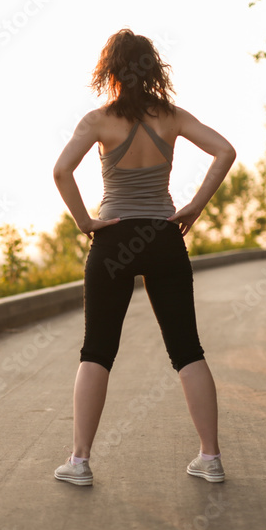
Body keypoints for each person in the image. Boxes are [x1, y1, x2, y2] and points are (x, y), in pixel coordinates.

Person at [51, 28, 236, 486]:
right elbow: (225, 151)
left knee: (97, 351)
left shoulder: (98, 121)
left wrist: (84, 222)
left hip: (113, 240)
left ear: (110, 71)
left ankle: (79, 463)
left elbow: (60, 171)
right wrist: (194, 206)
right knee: (187, 349)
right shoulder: (171, 117)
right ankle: (209, 458)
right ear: (152, 69)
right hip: (163, 238)